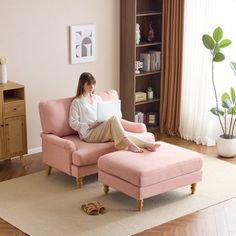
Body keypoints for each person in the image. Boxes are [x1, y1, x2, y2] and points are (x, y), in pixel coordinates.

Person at [69, 72, 160, 153]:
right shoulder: (77, 102)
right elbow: (73, 123)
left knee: (121, 133)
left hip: (101, 127)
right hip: (88, 134)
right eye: (89, 84)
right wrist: (90, 125)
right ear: (82, 85)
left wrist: (113, 113)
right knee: (114, 122)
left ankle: (147, 144)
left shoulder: (97, 98)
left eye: (93, 84)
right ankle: (131, 146)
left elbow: (104, 112)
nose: (92, 87)